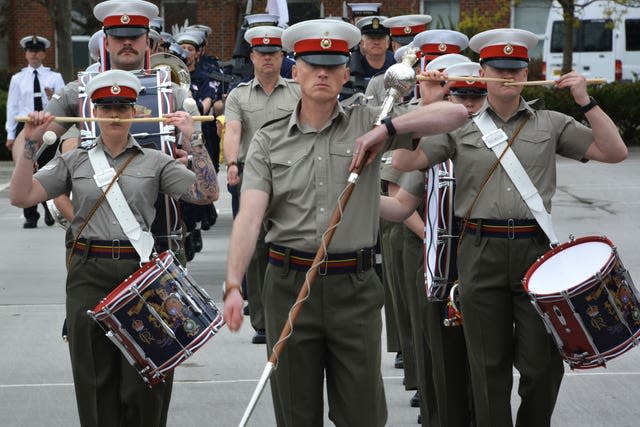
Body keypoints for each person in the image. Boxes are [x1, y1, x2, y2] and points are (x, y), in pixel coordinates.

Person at [377, 28, 628, 427]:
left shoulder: (551, 122)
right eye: (499, 69)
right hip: (479, 250)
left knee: (543, 366)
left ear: (527, 72)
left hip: (535, 252)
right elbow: (407, 163)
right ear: (483, 71)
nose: (508, 77)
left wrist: (586, 100)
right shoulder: (459, 125)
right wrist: (427, 104)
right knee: (487, 366)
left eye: (516, 68)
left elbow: (614, 152)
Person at [223, 19, 468, 426]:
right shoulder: (268, 139)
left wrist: (385, 130)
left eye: (332, 66)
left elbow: (454, 114)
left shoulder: (369, 119)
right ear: (295, 71)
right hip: (288, 283)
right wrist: (234, 284)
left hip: (353, 289)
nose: (322, 73)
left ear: (344, 74)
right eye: (312, 65)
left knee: (363, 414)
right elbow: (249, 217)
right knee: (296, 413)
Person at [9, 69, 218, 427]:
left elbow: (206, 193)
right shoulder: (74, 161)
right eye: (107, 107)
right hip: (88, 274)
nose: (116, 115)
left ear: (136, 112)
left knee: (147, 380)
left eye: (123, 107)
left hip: (140, 275)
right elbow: (21, 195)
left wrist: (195, 139)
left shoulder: (156, 161)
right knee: (94, 378)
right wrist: (30, 144)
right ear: (93, 113)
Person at [223, 24, 301, 344]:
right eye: (261, 54)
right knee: (256, 247)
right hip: (253, 174)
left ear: (282, 57)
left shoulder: (297, 92)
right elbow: (233, 131)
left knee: (288, 242)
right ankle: (261, 320)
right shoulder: (238, 94)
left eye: (273, 54)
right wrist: (230, 163)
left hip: (291, 174)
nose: (267, 60)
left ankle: (291, 312)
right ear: (252, 57)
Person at [6, 35, 65, 228]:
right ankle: (31, 216)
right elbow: (12, 107)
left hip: (49, 127)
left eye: (38, 51)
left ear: (43, 54)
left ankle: (49, 210)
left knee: (47, 168)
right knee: (26, 169)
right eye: (30, 51)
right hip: (27, 128)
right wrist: (10, 134)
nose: (34, 54)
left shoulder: (54, 77)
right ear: (25, 54)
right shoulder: (18, 78)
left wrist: (52, 97)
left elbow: (64, 103)